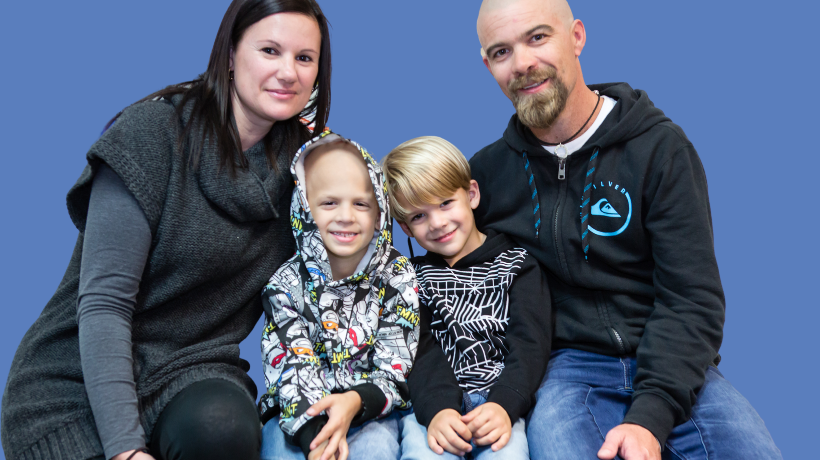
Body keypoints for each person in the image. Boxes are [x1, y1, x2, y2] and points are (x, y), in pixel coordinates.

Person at [0, 1, 332, 459]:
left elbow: (354, 279)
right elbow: (104, 303)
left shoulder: (312, 169)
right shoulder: (152, 134)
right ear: (232, 54)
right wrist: (125, 450)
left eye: (304, 58)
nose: (288, 72)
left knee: (222, 429)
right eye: (270, 50)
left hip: (191, 372)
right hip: (76, 380)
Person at [470, 1, 782, 459]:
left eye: (538, 38)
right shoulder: (487, 176)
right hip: (566, 370)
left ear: (576, 36)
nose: (522, 64)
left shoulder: (660, 149)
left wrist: (650, 417)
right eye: (501, 52)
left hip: (677, 365)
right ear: (487, 64)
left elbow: (692, 298)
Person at [382, 137, 551, 460]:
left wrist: (504, 404)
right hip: (435, 406)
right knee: (424, 455)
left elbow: (531, 344)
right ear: (404, 227)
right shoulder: (408, 279)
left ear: (471, 194)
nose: (438, 223)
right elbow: (419, 350)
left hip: (501, 402)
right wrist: (438, 410)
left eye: (446, 203)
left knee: (508, 454)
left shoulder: (518, 265)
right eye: (419, 216)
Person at [258, 132, 420, 460]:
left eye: (361, 204)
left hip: (369, 407)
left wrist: (355, 402)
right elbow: (291, 364)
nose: (345, 216)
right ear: (305, 208)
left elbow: (394, 364)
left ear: (379, 213)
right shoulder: (286, 284)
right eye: (329, 203)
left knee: (376, 448)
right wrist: (314, 438)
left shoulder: (396, 275)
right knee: (279, 451)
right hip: (297, 414)